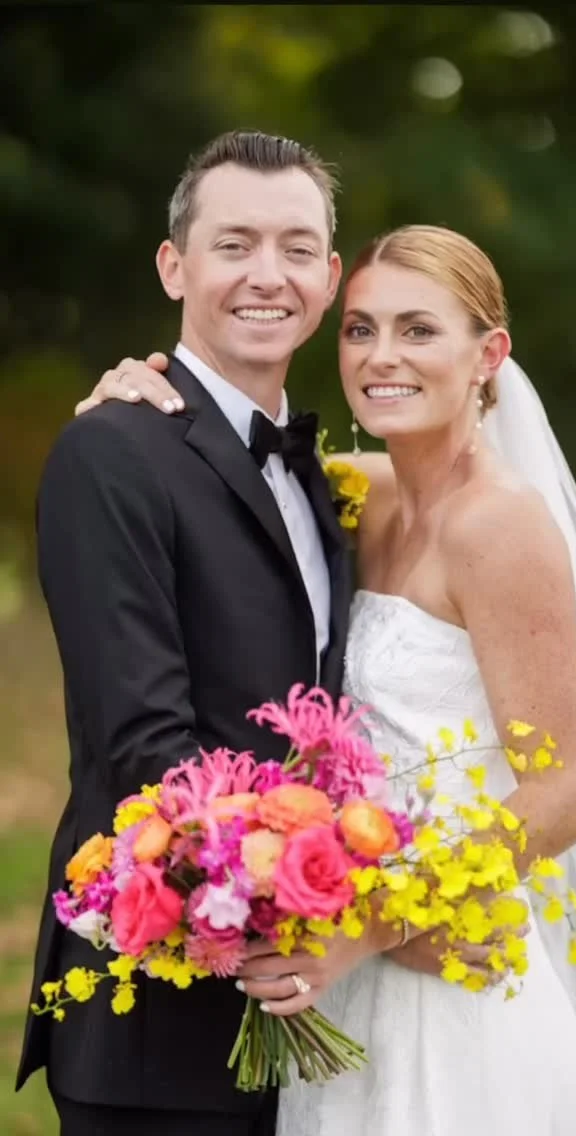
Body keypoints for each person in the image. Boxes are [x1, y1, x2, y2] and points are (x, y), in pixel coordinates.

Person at [83, 224, 576, 1135]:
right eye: (360, 329)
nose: (382, 356)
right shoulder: (349, 491)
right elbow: (210, 479)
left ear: (488, 355)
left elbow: (567, 792)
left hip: (446, 966)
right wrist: (124, 406)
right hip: (339, 960)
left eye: (419, 330)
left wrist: (374, 927)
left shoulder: (500, 524)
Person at [17, 129, 393, 1136]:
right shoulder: (111, 451)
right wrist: (286, 902)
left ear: (329, 279)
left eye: (296, 247)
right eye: (233, 244)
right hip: (155, 1032)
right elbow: (142, 743)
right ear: (173, 266)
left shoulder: (322, 479)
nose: (267, 274)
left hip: (310, 1019)